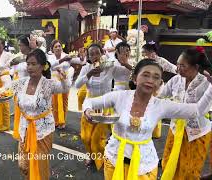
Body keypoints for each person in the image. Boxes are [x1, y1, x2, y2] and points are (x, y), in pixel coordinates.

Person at [83, 59, 212, 180]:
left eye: (156, 77)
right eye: (145, 75)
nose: (150, 80)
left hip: (144, 166)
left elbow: (197, 110)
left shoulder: (161, 105)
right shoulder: (119, 97)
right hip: (113, 159)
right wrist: (87, 111)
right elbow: (89, 102)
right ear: (134, 78)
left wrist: (211, 88)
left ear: (160, 83)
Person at [11, 48, 70, 180]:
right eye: (28, 64)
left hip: (43, 131)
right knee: (24, 165)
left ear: (43, 66)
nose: (30, 67)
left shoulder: (48, 85)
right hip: (24, 129)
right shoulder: (21, 83)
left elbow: (65, 88)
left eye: (34, 64)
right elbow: (5, 89)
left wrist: (63, 77)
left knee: (39, 165)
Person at [75, 43, 131, 170]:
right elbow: (77, 85)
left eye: (97, 53)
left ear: (102, 54)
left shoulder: (110, 67)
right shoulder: (86, 68)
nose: (95, 56)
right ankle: (90, 154)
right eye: (92, 54)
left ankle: (97, 157)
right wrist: (89, 74)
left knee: (97, 138)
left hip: (105, 106)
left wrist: (124, 62)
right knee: (85, 136)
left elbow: (128, 74)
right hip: (89, 105)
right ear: (88, 56)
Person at [159, 47, 212, 179]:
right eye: (177, 64)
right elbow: (160, 97)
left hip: (197, 133)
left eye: (182, 65)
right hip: (175, 129)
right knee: (168, 163)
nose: (178, 68)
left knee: (190, 170)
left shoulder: (206, 83)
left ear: (196, 67)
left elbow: (203, 108)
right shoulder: (175, 80)